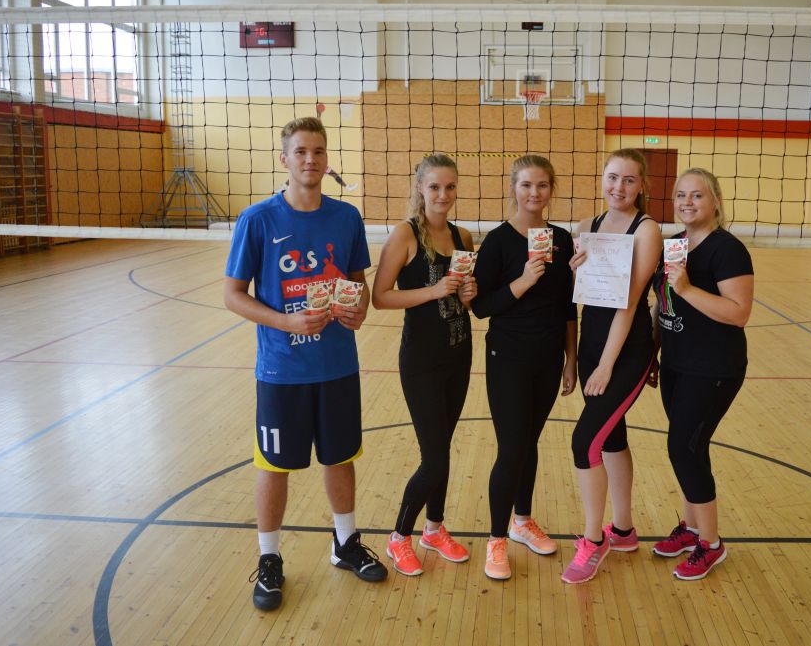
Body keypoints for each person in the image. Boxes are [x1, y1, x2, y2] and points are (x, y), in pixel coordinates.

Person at [224, 116, 387, 612]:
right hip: (282, 370)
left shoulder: (346, 218)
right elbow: (233, 295)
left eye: (318, 151)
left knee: (340, 456)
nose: (310, 159)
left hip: (337, 365)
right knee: (275, 465)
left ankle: (345, 543)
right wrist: (285, 322)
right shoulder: (257, 219)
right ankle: (269, 558)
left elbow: (357, 285)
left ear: (327, 159)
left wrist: (357, 310)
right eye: (300, 152)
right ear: (284, 159)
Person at [471, 155, 577, 580]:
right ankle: (496, 540)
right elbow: (481, 307)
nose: (534, 193)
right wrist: (524, 280)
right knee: (512, 448)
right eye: (527, 185)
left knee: (529, 443)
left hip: (548, 358)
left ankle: (522, 521)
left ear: (552, 190)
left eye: (542, 185)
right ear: (514, 188)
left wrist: (571, 358)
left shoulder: (562, 240)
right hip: (508, 358)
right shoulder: (497, 242)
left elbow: (568, 306)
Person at [371, 154, 477, 576]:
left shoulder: (463, 235)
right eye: (434, 187)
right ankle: (399, 536)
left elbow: (467, 298)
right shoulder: (405, 235)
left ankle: (434, 529)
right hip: (421, 360)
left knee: (442, 449)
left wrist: (468, 292)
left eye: (450, 187)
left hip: (460, 352)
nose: (443, 195)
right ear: (420, 188)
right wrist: (433, 292)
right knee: (433, 458)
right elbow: (381, 296)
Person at [562, 149, 662, 584]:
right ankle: (622, 531)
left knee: (585, 441)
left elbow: (631, 302)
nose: (618, 187)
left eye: (629, 179)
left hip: (627, 351)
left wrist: (605, 366)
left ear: (642, 185)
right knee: (611, 437)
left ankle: (593, 540)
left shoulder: (647, 229)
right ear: (602, 179)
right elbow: (584, 293)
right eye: (612, 177)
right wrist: (575, 270)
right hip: (592, 343)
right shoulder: (588, 226)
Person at [651, 167, 753, 580]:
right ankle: (692, 529)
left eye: (697, 195)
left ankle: (711, 544)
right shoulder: (673, 244)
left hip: (714, 368)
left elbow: (739, 313)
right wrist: (653, 352)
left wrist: (689, 289)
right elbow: (662, 302)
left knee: (683, 448)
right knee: (689, 447)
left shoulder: (728, 249)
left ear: (715, 202)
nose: (687, 202)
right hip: (676, 364)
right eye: (681, 195)